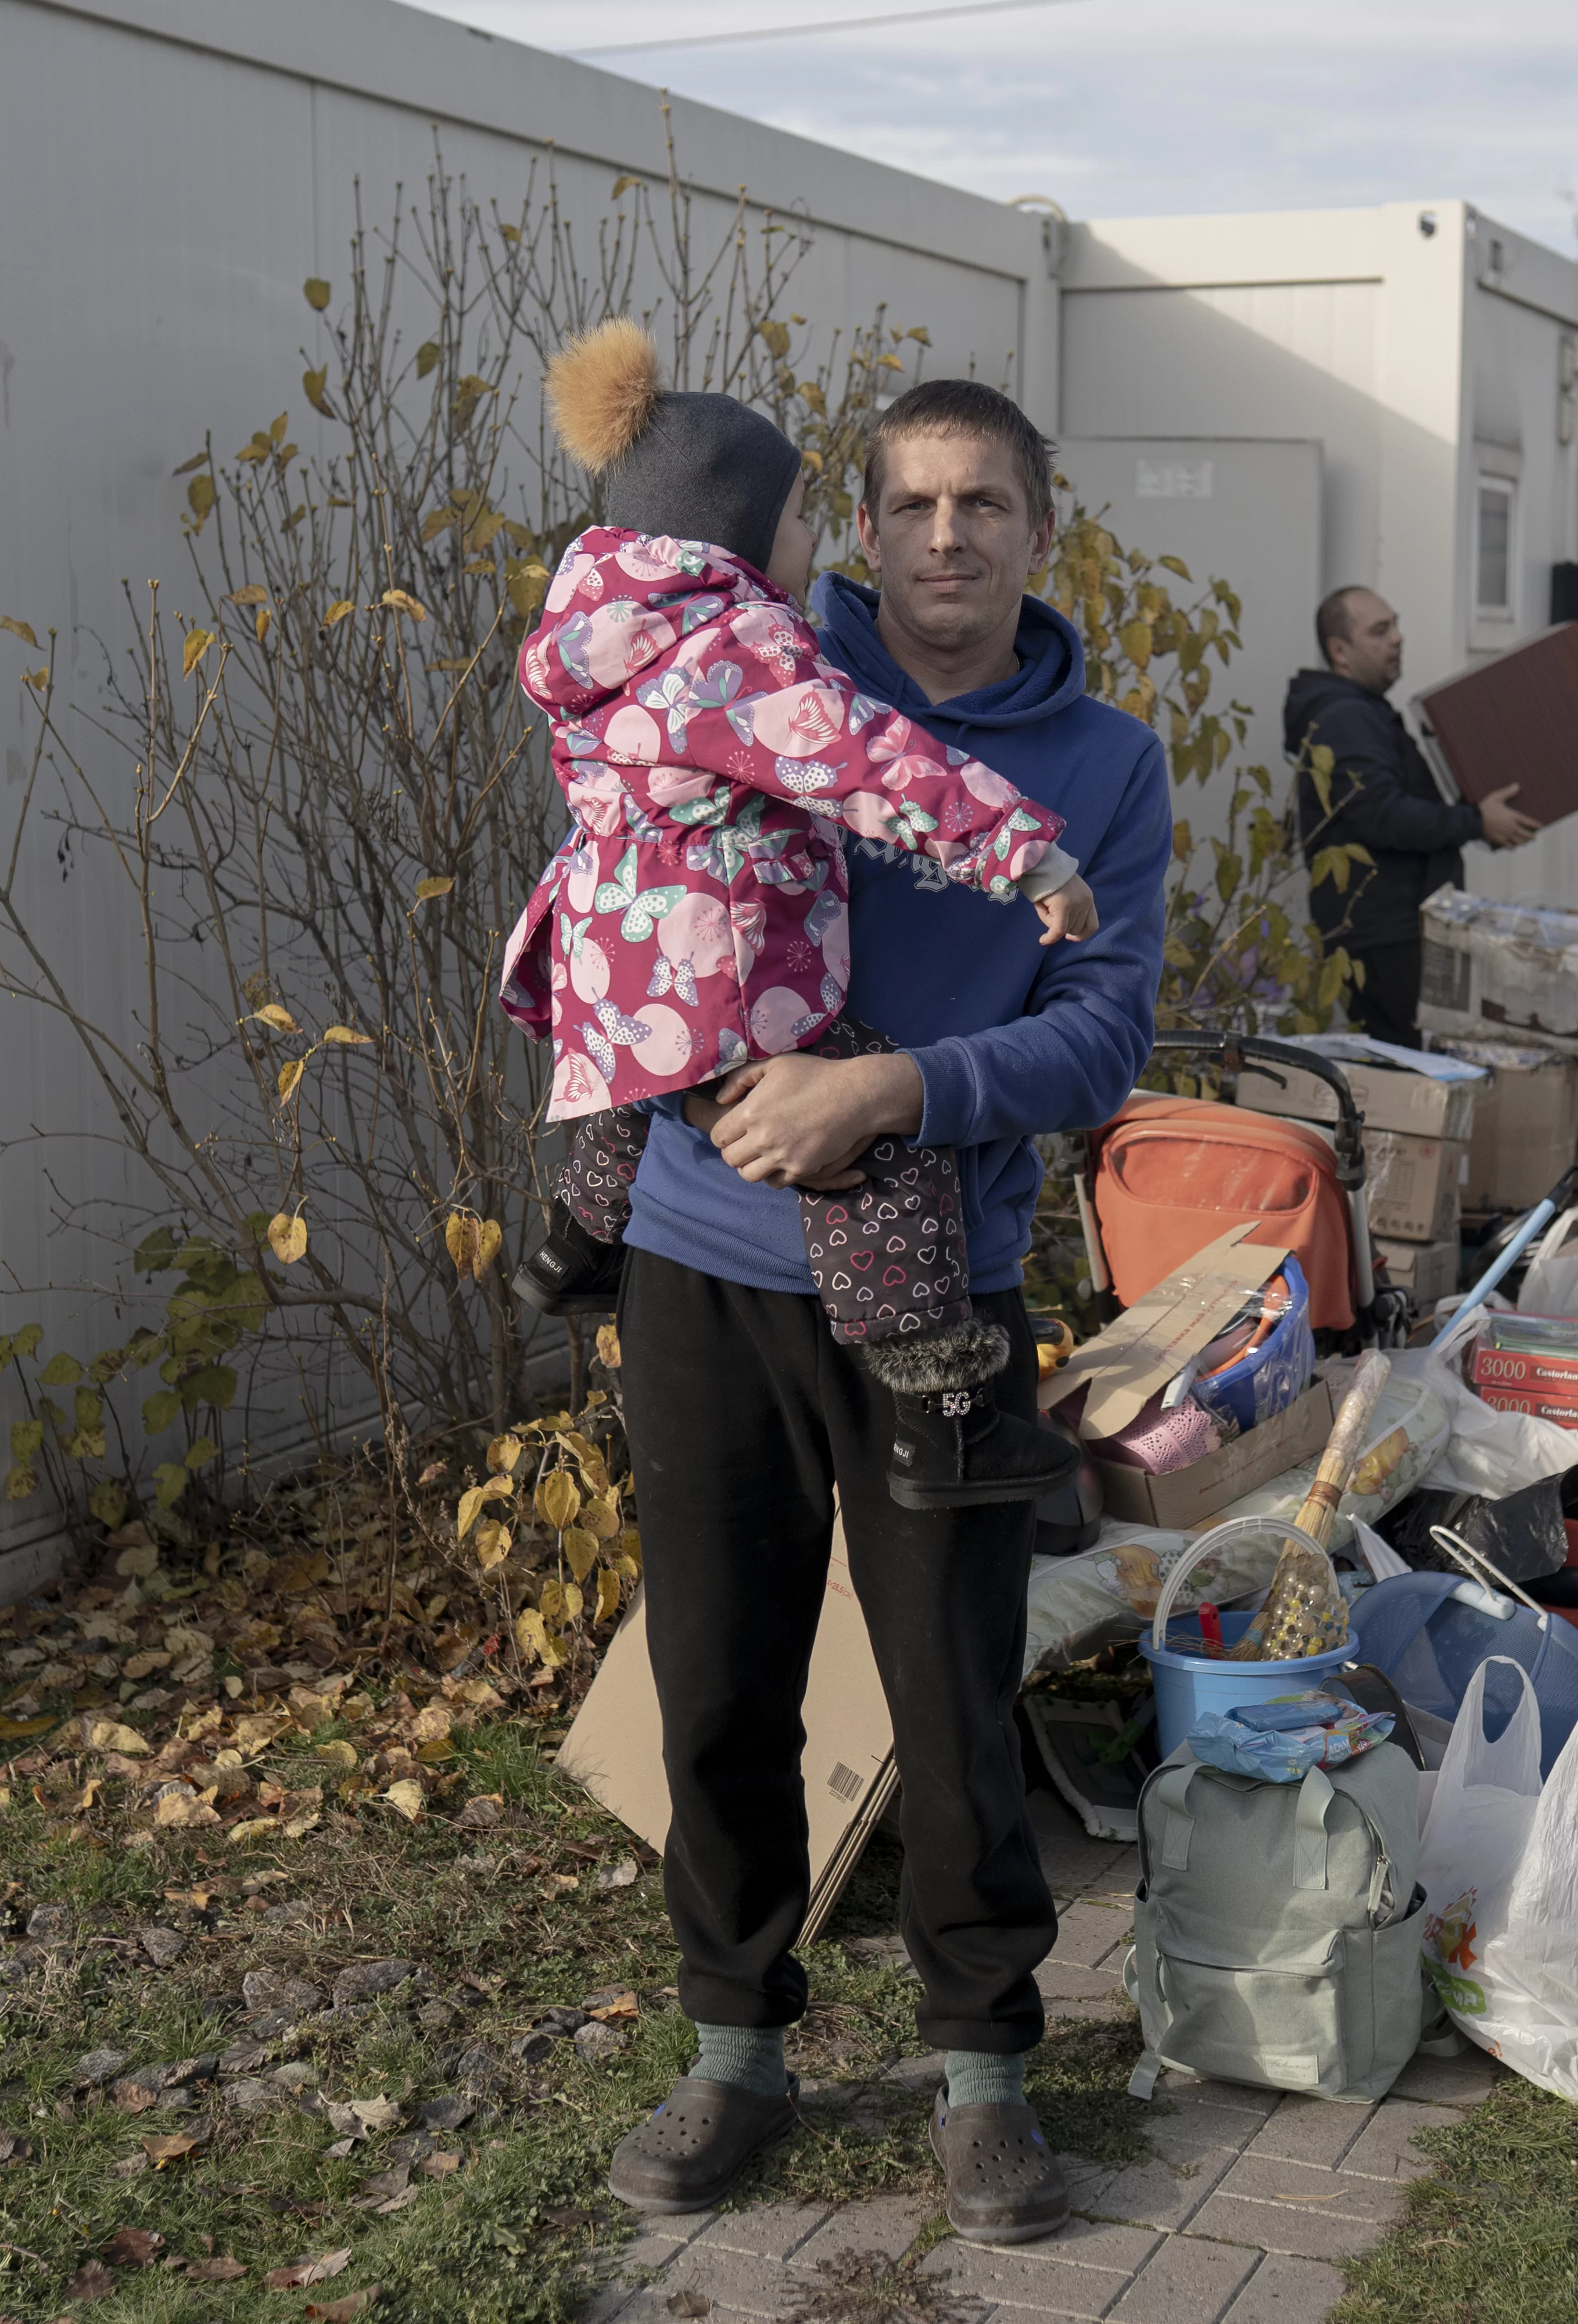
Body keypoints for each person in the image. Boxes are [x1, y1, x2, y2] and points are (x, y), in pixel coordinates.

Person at [593, 376, 1172, 2246]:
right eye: (912, 501)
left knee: (950, 1694)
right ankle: (734, 2046)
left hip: (942, 1292)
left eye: (982, 502)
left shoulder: (1104, 762)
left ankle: (984, 2069)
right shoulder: (744, 665)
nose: (944, 536)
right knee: (718, 1684)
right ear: (858, 525)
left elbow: (1103, 1028)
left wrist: (894, 1087)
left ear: (1038, 527)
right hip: (703, 1257)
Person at [501, 321, 1093, 1510]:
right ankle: (941, 1417)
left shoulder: (603, 632)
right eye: (804, 518)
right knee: (880, 1147)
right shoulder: (740, 646)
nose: (815, 545)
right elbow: (868, 758)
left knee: (657, 1078)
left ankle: (570, 1245)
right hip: (715, 960)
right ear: (732, 530)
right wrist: (1023, 851)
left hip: (616, 966)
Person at [1283, 586, 1540, 1042]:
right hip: (1387, 939)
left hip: (1397, 932)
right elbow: (1381, 813)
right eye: (1380, 631)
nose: (1397, 639)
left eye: (1396, 625)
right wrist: (1475, 821)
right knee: (1413, 1075)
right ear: (1339, 651)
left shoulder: (1363, 713)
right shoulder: (1347, 719)